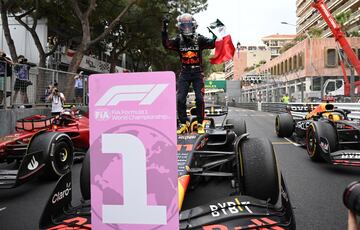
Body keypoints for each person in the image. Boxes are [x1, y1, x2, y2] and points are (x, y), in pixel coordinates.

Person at [162, 13, 216, 134]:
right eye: (184, 26)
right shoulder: (178, 40)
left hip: (198, 73)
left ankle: (200, 124)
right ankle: (184, 123)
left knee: (199, 98)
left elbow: (212, 43)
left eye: (189, 25)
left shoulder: (200, 38)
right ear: (180, 27)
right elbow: (166, 44)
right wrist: (164, 27)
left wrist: (214, 32)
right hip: (184, 72)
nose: (187, 28)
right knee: (180, 99)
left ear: (193, 26)